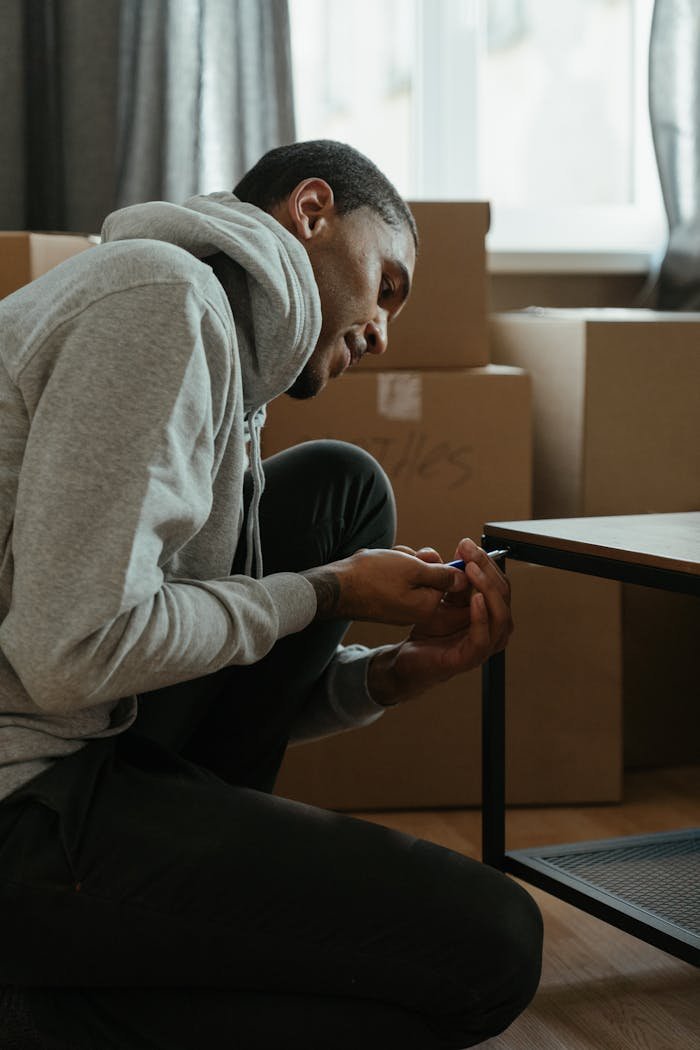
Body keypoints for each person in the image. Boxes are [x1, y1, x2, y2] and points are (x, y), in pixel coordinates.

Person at [0, 139, 542, 1049]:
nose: (382, 330)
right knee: (494, 947)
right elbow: (72, 654)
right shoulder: (160, 302)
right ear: (312, 211)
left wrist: (385, 677)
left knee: (340, 487)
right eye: (390, 285)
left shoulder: (218, 348)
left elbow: (172, 667)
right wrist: (327, 592)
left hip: (80, 749)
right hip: (21, 800)